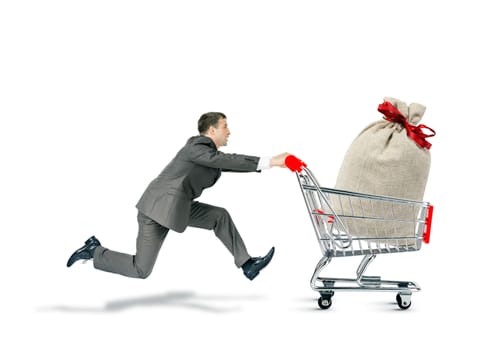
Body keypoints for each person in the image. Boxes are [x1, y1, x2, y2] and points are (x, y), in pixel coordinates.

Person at [67, 112, 290, 281]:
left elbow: (226, 163)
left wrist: (270, 164)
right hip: (156, 211)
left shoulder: (207, 154)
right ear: (212, 131)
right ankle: (94, 251)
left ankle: (247, 264)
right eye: (225, 126)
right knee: (141, 269)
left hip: (176, 208)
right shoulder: (196, 147)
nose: (229, 131)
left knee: (219, 216)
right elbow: (224, 161)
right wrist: (270, 161)